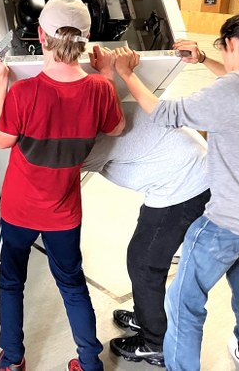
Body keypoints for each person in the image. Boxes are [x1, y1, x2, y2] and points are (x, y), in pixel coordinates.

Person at [112, 13, 239, 371]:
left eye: (222, 49)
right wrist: (204, 60)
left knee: (183, 302)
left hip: (228, 220)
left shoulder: (228, 91)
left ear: (232, 44)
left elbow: (165, 113)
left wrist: (126, 74)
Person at [0, 0, 125, 371]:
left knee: (11, 283)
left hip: (18, 211)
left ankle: (12, 359)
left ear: (42, 37)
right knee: (73, 286)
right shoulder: (99, 90)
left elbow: (1, 139)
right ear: (86, 39)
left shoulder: (24, 92)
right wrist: (108, 76)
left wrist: (0, 83)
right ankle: (90, 362)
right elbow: (116, 127)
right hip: (64, 214)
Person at [81, 100, 210, 367]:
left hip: (185, 183)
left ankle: (155, 343)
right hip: (183, 172)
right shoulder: (99, 105)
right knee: (145, 257)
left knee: (144, 264)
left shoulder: (87, 141)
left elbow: (56, 175)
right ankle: (145, 317)